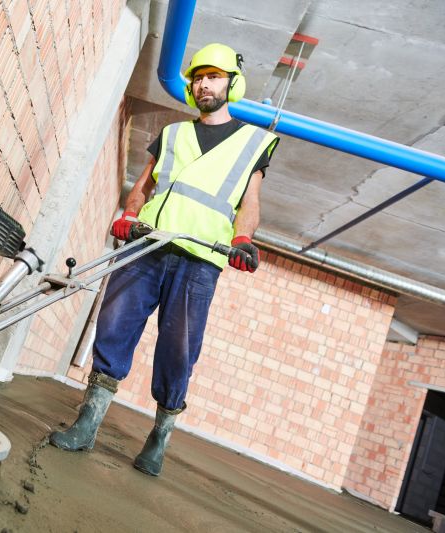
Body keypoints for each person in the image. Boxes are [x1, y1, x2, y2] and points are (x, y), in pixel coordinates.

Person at [49, 43, 280, 476]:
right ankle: (88, 423)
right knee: (115, 327)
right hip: (148, 246)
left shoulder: (254, 142)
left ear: (233, 83)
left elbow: (250, 200)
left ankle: (158, 438)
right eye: (197, 77)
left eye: (213, 76)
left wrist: (244, 238)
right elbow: (143, 185)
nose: (203, 83)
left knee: (179, 351)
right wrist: (130, 214)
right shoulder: (172, 134)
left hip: (200, 259)